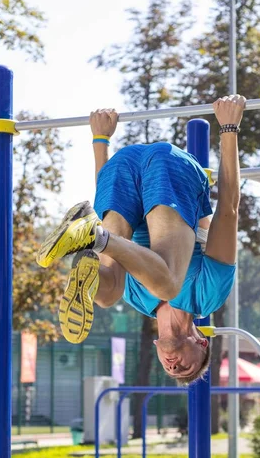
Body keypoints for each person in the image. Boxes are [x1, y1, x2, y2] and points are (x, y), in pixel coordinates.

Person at [37, 94, 246, 384]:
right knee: (169, 285)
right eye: (185, 368)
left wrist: (100, 141)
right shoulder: (207, 297)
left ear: (157, 352)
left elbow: (112, 213)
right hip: (169, 168)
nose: (173, 368)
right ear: (202, 343)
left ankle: (89, 241)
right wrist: (229, 129)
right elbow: (228, 212)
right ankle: (92, 237)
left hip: (120, 166)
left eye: (170, 370)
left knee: (107, 293)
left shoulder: (136, 300)